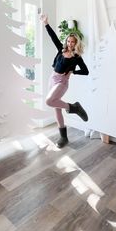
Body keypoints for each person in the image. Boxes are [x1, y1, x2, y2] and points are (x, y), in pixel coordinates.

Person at [40, 14, 89, 148]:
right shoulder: (61, 50)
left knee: (49, 101)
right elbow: (53, 37)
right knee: (56, 108)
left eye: (72, 42)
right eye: (68, 41)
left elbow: (86, 71)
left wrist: (73, 71)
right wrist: (46, 23)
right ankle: (64, 137)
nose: (70, 43)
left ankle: (74, 107)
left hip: (62, 82)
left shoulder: (77, 57)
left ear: (76, 43)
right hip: (52, 78)